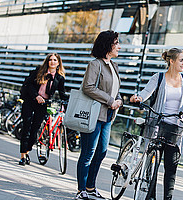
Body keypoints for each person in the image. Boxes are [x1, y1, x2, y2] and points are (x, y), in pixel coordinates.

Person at [130, 48, 183, 200]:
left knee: (171, 168)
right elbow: (146, 93)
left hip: (176, 128)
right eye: (181, 60)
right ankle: (150, 196)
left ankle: (168, 198)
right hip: (157, 125)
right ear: (171, 61)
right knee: (152, 164)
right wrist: (138, 98)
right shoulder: (158, 77)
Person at [75, 30, 122, 200]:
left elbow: (115, 90)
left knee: (101, 152)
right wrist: (110, 100)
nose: (119, 46)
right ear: (107, 45)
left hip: (108, 117)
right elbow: (88, 87)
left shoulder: (114, 66)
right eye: (116, 43)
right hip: (94, 115)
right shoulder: (95, 64)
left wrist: (119, 100)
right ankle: (82, 190)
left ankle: (90, 187)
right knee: (88, 152)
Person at [19, 53, 68, 165]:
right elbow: (28, 85)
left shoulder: (60, 78)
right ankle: (22, 156)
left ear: (58, 63)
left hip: (43, 104)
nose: (52, 62)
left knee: (35, 129)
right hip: (30, 100)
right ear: (47, 61)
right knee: (27, 125)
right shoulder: (38, 72)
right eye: (50, 60)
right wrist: (36, 96)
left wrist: (69, 102)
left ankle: (27, 151)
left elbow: (62, 93)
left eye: (55, 60)